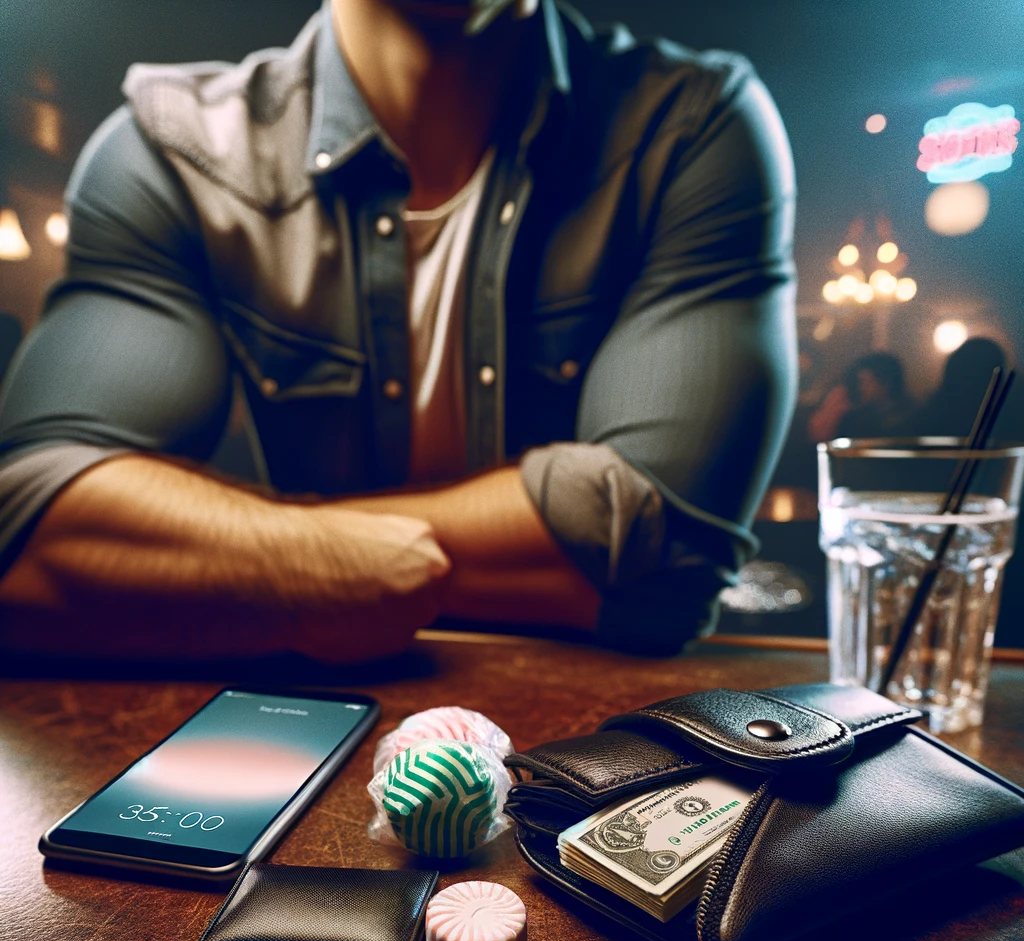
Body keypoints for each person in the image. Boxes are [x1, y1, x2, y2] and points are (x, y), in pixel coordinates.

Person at [0, 0, 796, 661]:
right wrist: (318, 563)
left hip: (596, 764)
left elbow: (662, 556)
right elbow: (32, 529)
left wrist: (255, 554)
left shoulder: (691, 127)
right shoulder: (172, 151)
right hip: (293, 729)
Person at [808, 353, 909, 443]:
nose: (860, 388)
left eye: (864, 382)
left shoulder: (908, 421)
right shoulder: (857, 418)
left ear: (885, 383)